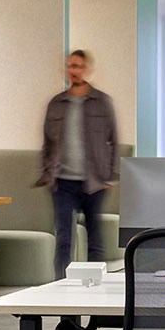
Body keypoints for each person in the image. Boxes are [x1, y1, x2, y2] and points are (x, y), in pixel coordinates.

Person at [38, 49, 119, 279]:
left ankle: (96, 291)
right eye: (71, 66)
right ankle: (61, 290)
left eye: (79, 66)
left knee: (95, 239)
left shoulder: (102, 102)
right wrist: (47, 173)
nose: (74, 71)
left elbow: (113, 140)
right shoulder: (56, 103)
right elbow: (47, 142)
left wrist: (109, 177)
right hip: (62, 182)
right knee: (64, 238)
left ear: (87, 70)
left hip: (93, 182)